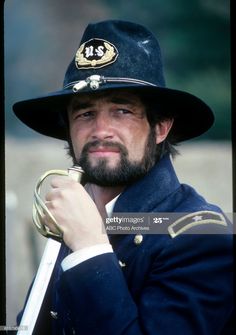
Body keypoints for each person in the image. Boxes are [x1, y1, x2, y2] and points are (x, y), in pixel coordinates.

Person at [13, 20, 233, 334]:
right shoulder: (76, 220)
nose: (100, 131)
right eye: (85, 113)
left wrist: (90, 247)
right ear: (69, 131)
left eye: (122, 111)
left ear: (160, 127)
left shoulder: (206, 235)